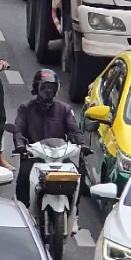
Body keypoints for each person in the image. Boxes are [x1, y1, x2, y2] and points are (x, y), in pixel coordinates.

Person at [13, 69, 82, 208]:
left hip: (59, 156)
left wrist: (82, 144)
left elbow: (74, 131)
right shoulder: (25, 109)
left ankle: (75, 213)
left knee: (78, 176)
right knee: (23, 178)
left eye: (52, 87)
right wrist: (20, 145)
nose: (48, 91)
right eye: (44, 87)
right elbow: (18, 131)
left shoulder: (65, 109)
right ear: (36, 88)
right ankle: (23, 210)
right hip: (33, 156)